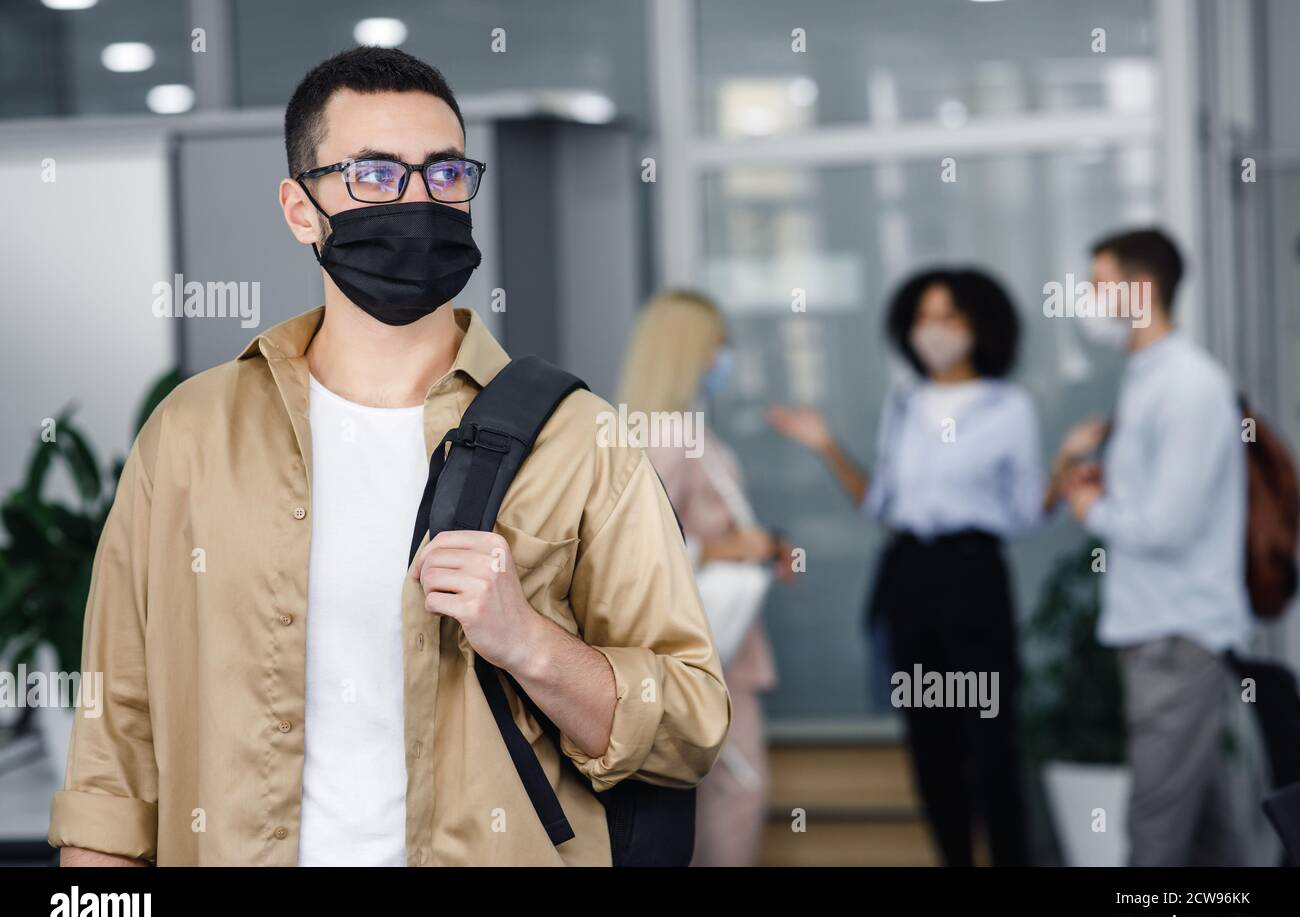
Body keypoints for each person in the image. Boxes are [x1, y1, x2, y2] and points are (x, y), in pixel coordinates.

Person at [48, 47, 730, 867]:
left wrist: (530, 644)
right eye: (375, 174)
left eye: (444, 174)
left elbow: (689, 725)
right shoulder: (191, 435)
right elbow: (117, 732)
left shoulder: (580, 439)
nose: (418, 199)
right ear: (301, 210)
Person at [768, 268, 1044, 866]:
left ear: (980, 325)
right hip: (910, 576)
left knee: (992, 747)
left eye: (948, 316)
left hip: (974, 577)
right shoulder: (906, 402)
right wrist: (827, 445)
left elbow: (1023, 514)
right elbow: (882, 506)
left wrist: (1070, 467)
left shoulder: (1009, 406)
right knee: (930, 748)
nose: (932, 330)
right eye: (923, 317)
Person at [1056, 228, 1251, 866]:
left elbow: (1168, 525)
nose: (1087, 300)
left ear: (1141, 292)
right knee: (1204, 829)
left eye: (1099, 285)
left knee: (1156, 832)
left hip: (1175, 630)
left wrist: (1092, 508)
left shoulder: (1187, 385)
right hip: (1157, 627)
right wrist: (1109, 487)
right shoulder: (1148, 377)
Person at [617, 290, 792, 867]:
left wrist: (753, 548)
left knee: (717, 797)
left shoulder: (673, 431)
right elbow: (636, 549)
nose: (724, 357)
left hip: (715, 646)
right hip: (705, 651)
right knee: (736, 797)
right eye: (716, 345)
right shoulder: (670, 435)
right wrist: (729, 547)